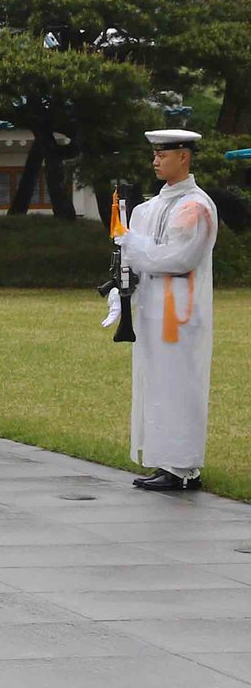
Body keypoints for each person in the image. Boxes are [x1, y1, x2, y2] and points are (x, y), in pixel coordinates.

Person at [121, 129, 220, 492]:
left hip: (181, 312)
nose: (156, 161)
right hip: (151, 309)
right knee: (156, 385)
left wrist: (134, 246)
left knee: (181, 386)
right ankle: (164, 461)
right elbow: (131, 259)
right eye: (155, 155)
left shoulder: (196, 206)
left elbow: (179, 258)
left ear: (184, 157)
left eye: (163, 155)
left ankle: (184, 467)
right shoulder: (149, 208)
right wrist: (122, 291)